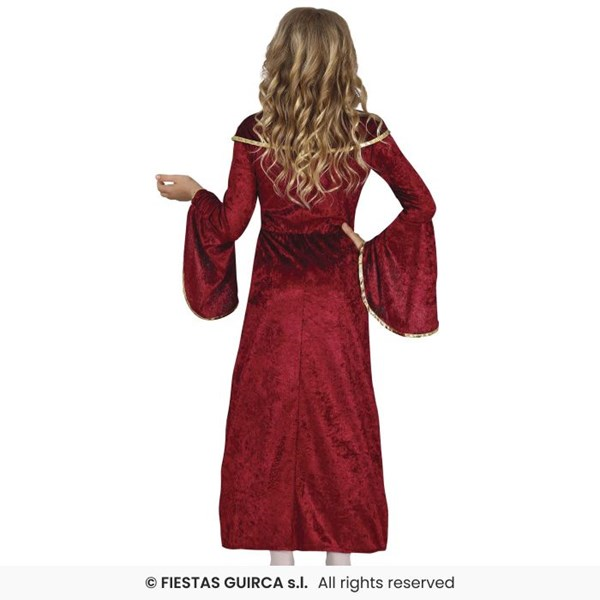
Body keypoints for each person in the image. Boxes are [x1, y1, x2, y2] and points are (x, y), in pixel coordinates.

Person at [155, 7, 438, 567]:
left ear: (280, 56)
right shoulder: (364, 133)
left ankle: (280, 563)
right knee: (341, 419)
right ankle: (340, 562)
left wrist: (197, 196)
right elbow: (421, 204)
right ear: (343, 59)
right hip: (336, 299)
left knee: (269, 418)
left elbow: (229, 225)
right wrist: (370, 249)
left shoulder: (257, 132)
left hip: (275, 301)